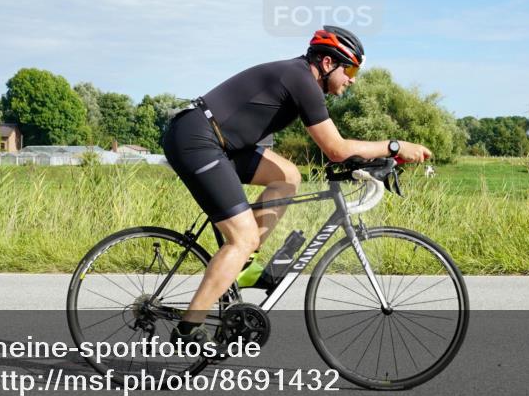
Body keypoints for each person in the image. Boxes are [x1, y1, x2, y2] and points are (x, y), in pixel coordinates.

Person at [161, 26, 432, 344]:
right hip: (196, 140)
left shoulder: (302, 78)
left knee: (288, 177)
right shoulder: (302, 79)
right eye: (352, 68)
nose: (353, 79)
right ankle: (188, 329)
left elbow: (337, 155)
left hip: (218, 142)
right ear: (329, 63)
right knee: (242, 237)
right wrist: (394, 147)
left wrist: (373, 162)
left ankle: (245, 265)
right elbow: (336, 149)